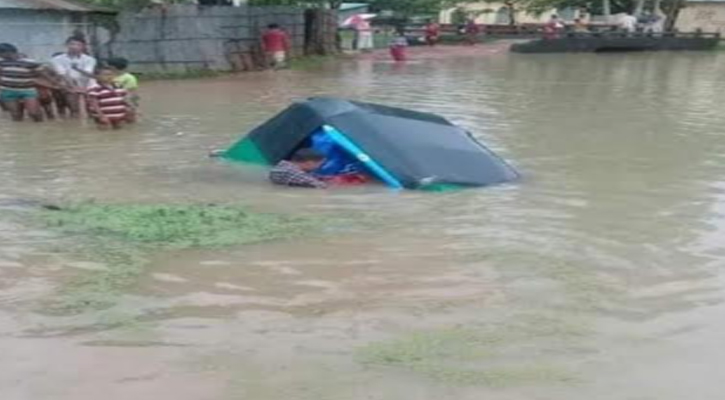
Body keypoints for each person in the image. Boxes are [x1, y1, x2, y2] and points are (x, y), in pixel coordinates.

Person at [51, 36, 97, 118]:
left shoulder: (90, 59)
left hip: (87, 82)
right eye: (72, 44)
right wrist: (73, 87)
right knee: (69, 91)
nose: (74, 47)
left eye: (78, 45)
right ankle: (74, 111)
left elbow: (88, 74)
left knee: (92, 93)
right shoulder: (57, 59)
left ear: (83, 46)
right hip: (68, 82)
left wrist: (83, 88)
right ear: (66, 45)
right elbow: (63, 74)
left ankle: (92, 111)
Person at [0, 43, 46, 122]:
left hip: (27, 90)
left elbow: (43, 74)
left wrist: (55, 84)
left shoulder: (30, 62)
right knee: (15, 114)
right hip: (8, 90)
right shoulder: (1, 62)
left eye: (1, 53)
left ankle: (40, 125)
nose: (1, 56)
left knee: (33, 113)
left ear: (8, 52)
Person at [86, 66, 133, 130]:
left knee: (120, 133)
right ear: (97, 76)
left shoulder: (118, 86)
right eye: (106, 75)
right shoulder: (95, 88)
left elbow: (124, 99)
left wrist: (131, 108)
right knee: (104, 132)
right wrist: (101, 116)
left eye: (111, 74)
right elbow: (94, 104)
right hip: (103, 116)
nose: (109, 76)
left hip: (119, 115)